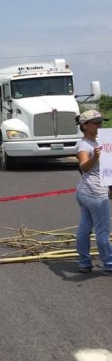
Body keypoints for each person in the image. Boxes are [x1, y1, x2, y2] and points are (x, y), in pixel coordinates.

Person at [73, 109, 112, 275]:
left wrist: (110, 186)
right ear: (85, 125)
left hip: (86, 191)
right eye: (95, 123)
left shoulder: (100, 141)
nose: (99, 125)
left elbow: (106, 168)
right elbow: (84, 167)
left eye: (100, 122)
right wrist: (95, 158)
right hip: (95, 193)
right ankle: (109, 264)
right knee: (103, 231)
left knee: (84, 228)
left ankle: (84, 262)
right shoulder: (84, 145)